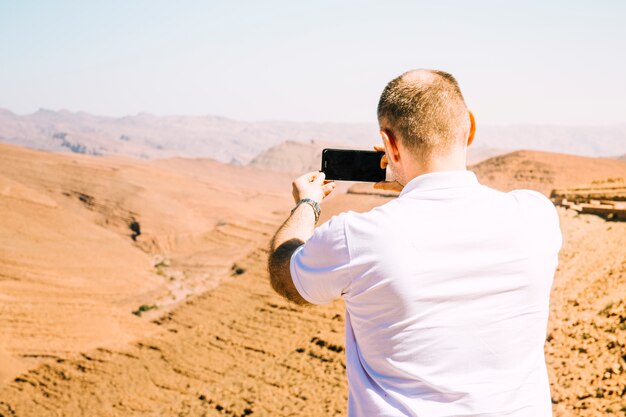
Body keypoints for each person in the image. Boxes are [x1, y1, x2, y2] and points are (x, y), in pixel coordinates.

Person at [268, 69, 562, 417]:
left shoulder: (357, 237)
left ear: (388, 143)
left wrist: (308, 203)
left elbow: (284, 272)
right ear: (470, 126)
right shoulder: (536, 215)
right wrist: (414, 182)